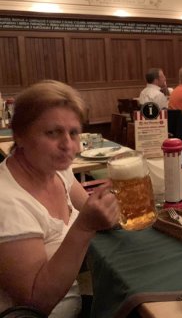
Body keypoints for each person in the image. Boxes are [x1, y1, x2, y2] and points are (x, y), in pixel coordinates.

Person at [0, 80, 119, 317]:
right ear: (19, 135)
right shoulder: (7, 201)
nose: (67, 145)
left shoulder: (56, 171)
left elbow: (92, 210)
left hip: (73, 303)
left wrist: (110, 205)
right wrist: (84, 227)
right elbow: (34, 304)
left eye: (73, 133)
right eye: (52, 133)